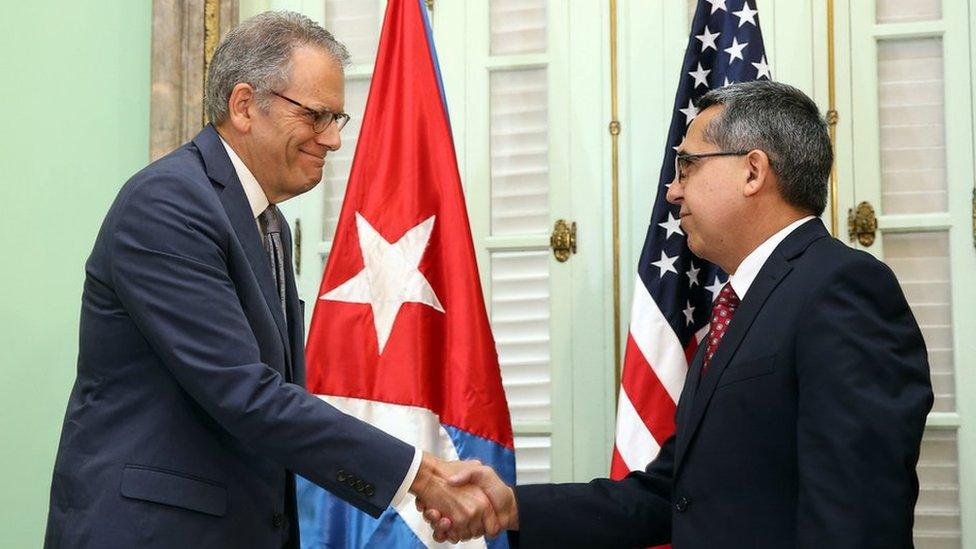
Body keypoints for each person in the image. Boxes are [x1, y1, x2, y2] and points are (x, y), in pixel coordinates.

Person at [44, 11, 495, 548]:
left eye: (338, 120)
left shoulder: (268, 221)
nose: (332, 140)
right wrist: (418, 475)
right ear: (243, 106)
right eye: (317, 116)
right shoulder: (168, 205)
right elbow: (245, 392)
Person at [422, 80, 934, 548]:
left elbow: (857, 518)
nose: (673, 191)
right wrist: (511, 506)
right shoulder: (741, 305)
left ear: (753, 171)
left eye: (688, 166)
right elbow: (672, 496)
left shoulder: (841, 288)